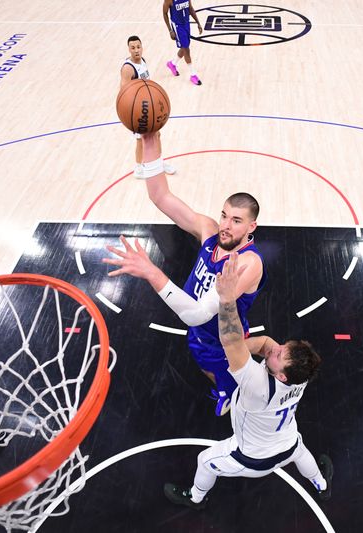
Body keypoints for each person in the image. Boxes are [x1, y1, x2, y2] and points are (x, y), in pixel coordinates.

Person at [104, 133, 265, 416]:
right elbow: (160, 196)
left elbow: (198, 314)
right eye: (224, 215)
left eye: (236, 221)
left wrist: (152, 272)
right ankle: (226, 384)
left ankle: (233, 396)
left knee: (225, 376)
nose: (226, 225)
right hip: (197, 330)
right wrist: (150, 140)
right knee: (204, 366)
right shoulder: (209, 231)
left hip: (223, 340)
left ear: (252, 227)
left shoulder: (247, 264)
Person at [162, 253, 332, 509]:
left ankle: (195, 497)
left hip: (252, 458)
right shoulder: (302, 374)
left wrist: (227, 299)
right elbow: (264, 343)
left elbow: (230, 340)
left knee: (205, 460)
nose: (275, 348)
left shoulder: (256, 384)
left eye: (278, 354)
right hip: (288, 442)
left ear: (282, 375)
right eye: (282, 347)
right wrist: (242, 351)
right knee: (301, 451)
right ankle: (322, 484)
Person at [119, 35, 177, 179]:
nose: (136, 50)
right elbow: (124, 92)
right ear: (129, 49)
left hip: (148, 105)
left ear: (142, 47)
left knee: (157, 135)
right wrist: (133, 112)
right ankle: (138, 168)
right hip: (137, 110)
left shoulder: (143, 61)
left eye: (138, 47)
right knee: (140, 140)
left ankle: (159, 162)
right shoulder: (128, 68)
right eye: (133, 48)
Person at [163, 0, 204, 86]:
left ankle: (172, 64)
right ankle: (193, 74)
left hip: (186, 23)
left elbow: (190, 8)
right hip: (177, 26)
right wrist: (170, 30)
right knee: (186, 49)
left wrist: (198, 23)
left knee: (184, 47)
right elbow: (165, 13)